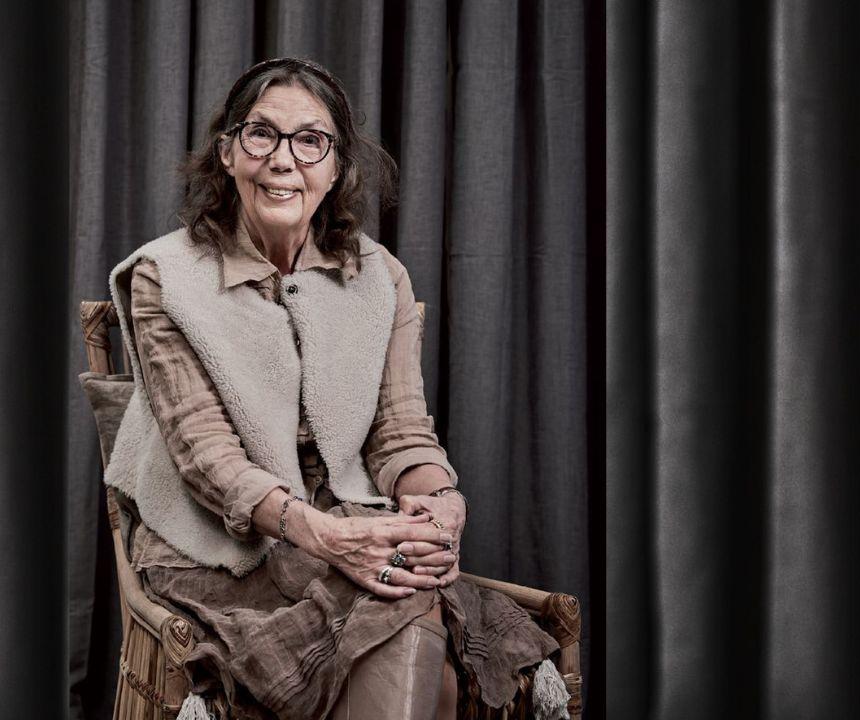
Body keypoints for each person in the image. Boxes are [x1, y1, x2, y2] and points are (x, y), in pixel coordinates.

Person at [104, 57, 560, 720]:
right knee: (421, 644)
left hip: (350, 523)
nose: (283, 160)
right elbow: (208, 459)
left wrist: (442, 507)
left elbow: (400, 432)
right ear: (228, 153)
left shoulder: (380, 277)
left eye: (310, 140)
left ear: (338, 165)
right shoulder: (164, 277)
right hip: (217, 550)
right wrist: (327, 538)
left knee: (407, 597)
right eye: (262, 134)